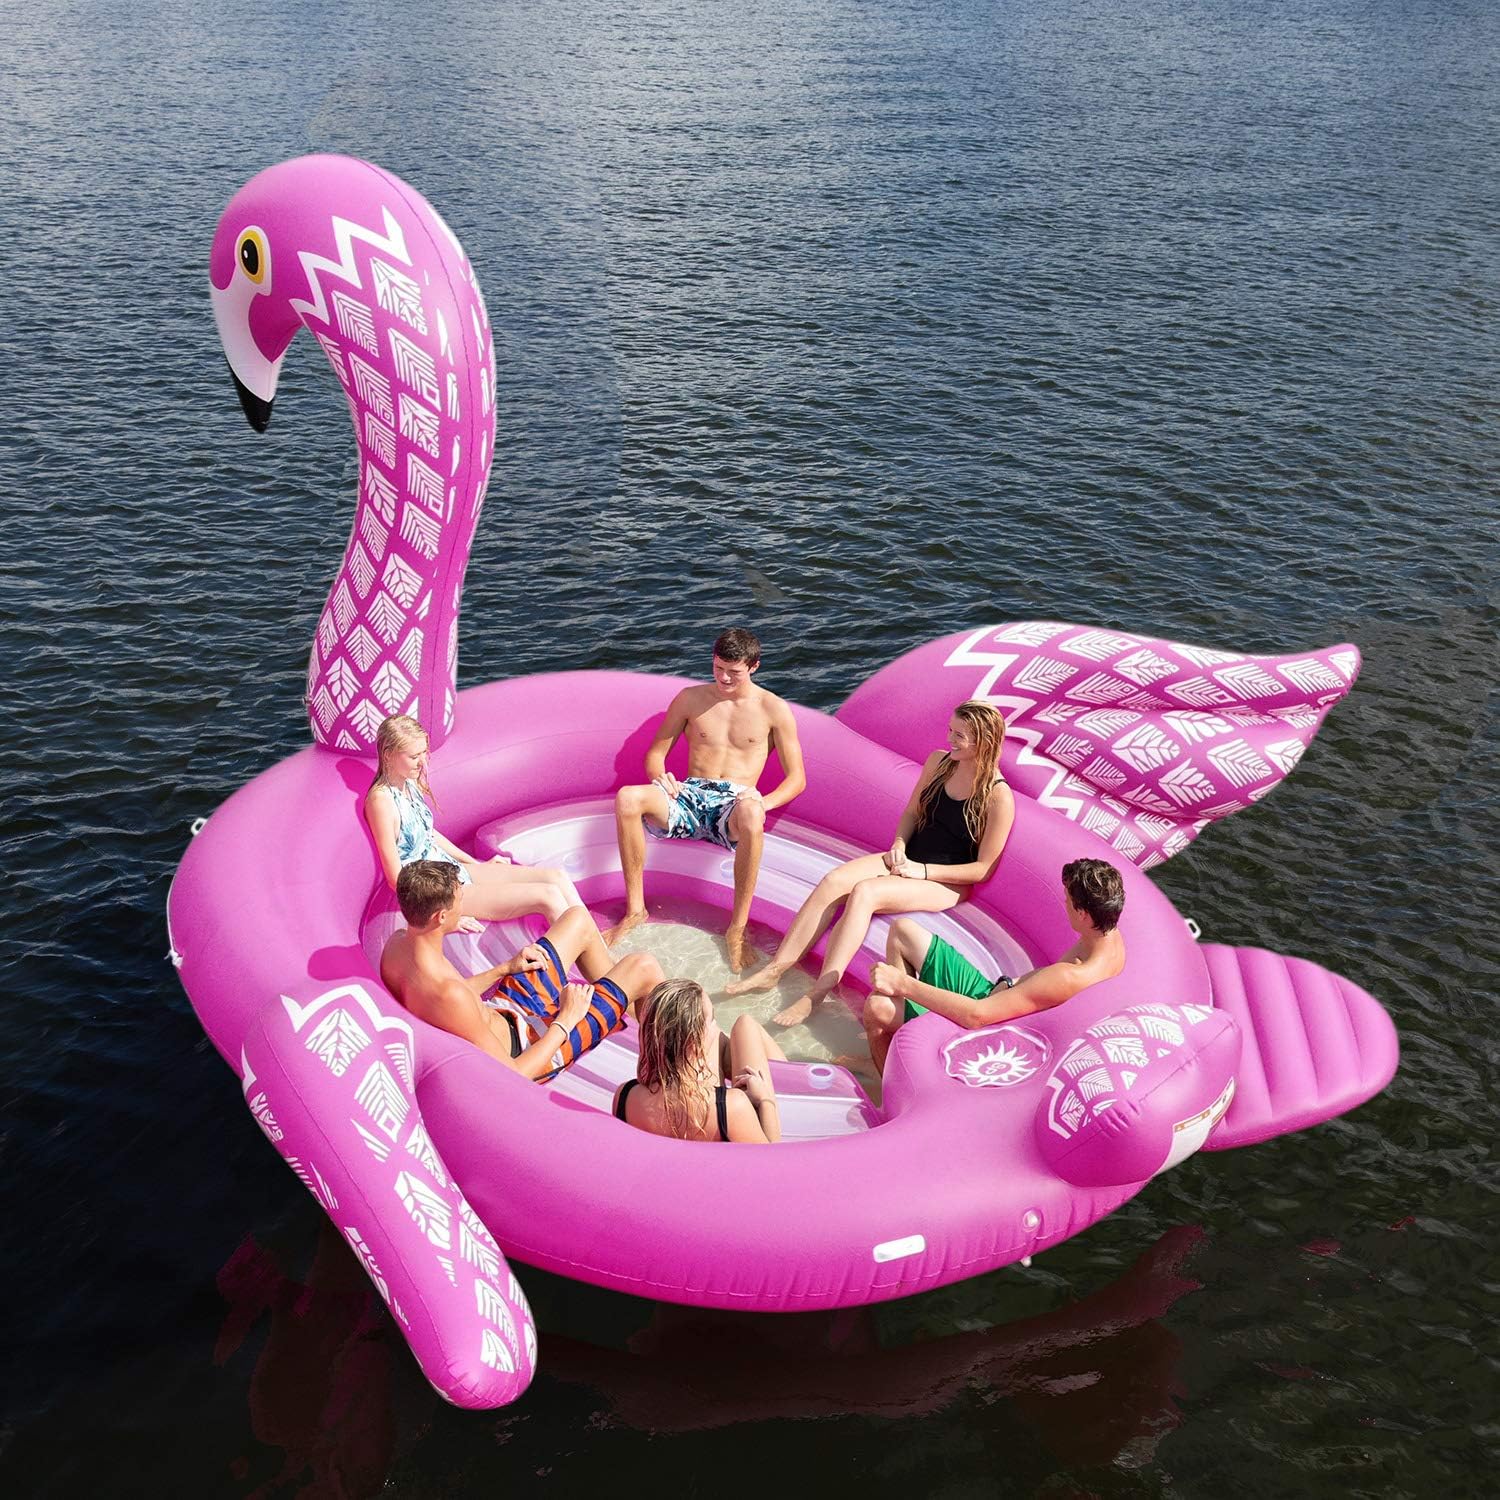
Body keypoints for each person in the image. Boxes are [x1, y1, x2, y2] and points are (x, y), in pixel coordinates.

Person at [727, 700, 1014, 1026]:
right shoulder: (940, 762)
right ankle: (775, 969)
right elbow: (912, 813)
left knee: (865, 892)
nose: (949, 739)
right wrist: (899, 844)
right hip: (907, 858)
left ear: (983, 741)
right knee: (834, 881)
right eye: (950, 729)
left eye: (958, 735)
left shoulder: (997, 796)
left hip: (945, 882)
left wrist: (921, 871)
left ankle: (817, 993)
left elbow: (983, 869)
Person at [605, 628, 806, 971]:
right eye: (718, 668)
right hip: (689, 794)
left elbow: (797, 778)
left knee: (752, 815)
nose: (724, 678)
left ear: (754, 666)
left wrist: (763, 802)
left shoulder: (773, 709)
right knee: (628, 798)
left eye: (734, 672)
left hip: (734, 802)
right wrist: (660, 776)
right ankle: (635, 910)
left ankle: (737, 929)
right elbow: (656, 754)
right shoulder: (690, 699)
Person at [381, 860, 663, 1080]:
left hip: (506, 1012)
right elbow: (514, 1075)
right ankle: (669, 1070)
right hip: (531, 1047)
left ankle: (623, 998)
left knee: (577, 919)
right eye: (459, 899)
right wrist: (566, 1019)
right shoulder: (448, 994)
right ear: (441, 917)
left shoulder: (397, 947)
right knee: (644, 966)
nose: (463, 904)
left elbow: (451, 1000)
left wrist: (504, 968)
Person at [862, 857, 1127, 1073]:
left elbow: (976, 1017)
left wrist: (903, 984)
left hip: (979, 1029)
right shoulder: (1109, 939)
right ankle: (901, 1051)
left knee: (876, 1008)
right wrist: (1008, 985)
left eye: (1067, 901)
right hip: (995, 996)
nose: (1064, 905)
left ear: (1083, 914)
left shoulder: (1068, 976)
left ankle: (891, 1090)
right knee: (903, 932)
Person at [364, 714, 580, 929]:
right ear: (388, 754)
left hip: (453, 869)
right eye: (414, 756)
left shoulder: (408, 783)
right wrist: (446, 917)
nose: (423, 763)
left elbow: (428, 834)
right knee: (549, 895)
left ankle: (594, 942)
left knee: (556, 878)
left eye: (424, 753)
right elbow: (396, 878)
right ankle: (581, 945)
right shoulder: (381, 801)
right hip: (440, 892)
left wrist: (475, 864)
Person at [613, 979, 785, 1143]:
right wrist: (764, 1101)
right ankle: (789, 1078)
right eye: (712, 1020)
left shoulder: (624, 1096)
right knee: (745, 1024)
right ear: (695, 1043)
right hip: (721, 1121)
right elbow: (770, 1157)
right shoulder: (731, 1106)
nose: (715, 1027)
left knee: (739, 1030)